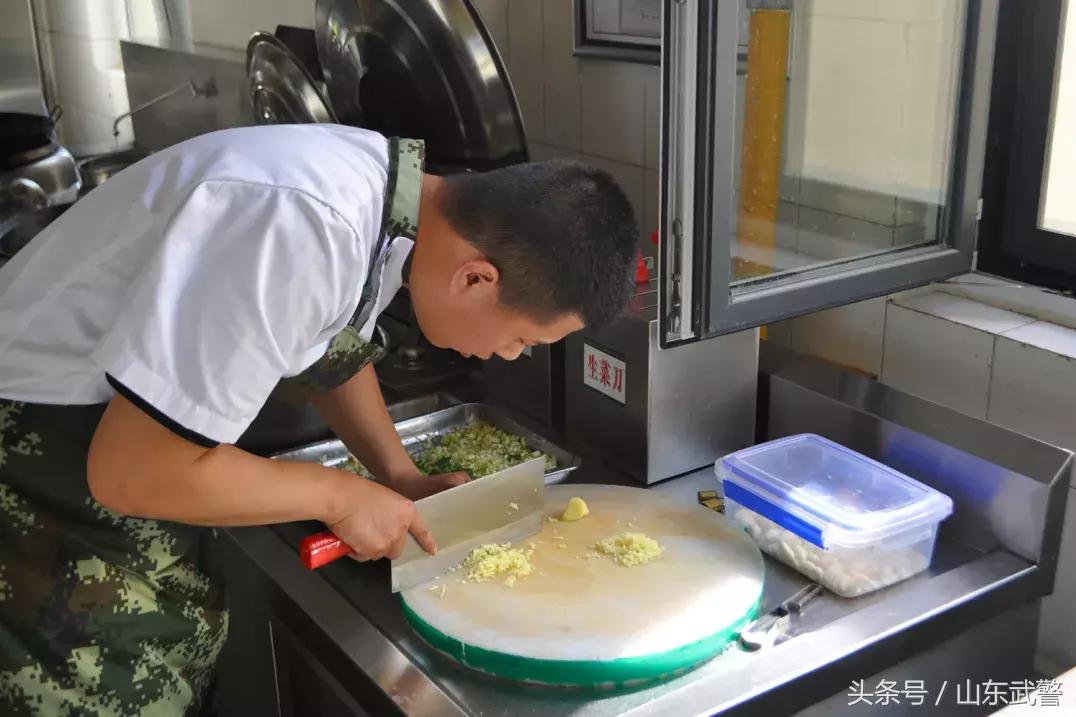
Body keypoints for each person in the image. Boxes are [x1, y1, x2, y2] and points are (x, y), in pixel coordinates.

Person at [0, 124, 639, 715]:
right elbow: (131, 473)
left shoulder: (385, 197)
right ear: (476, 280)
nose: (509, 355)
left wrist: (397, 475)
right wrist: (338, 495)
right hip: (39, 456)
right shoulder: (302, 224)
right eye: (521, 337)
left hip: (109, 432)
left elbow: (331, 348)